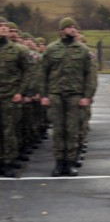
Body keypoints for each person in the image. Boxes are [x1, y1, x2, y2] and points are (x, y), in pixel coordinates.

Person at [41, 18, 96, 177]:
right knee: (58, 130)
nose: (73, 29)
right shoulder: (51, 49)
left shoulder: (83, 50)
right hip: (56, 95)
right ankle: (59, 163)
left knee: (72, 130)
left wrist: (87, 96)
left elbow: (90, 75)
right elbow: (42, 73)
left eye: (74, 27)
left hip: (75, 96)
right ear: (62, 30)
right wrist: (44, 95)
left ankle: (70, 163)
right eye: (69, 27)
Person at [0, 18, 30, 177]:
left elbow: (27, 72)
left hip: (9, 96)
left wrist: (20, 91)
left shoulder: (18, 50)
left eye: (5, 26)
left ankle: (8, 162)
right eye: (0, 26)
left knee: (9, 131)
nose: (4, 28)